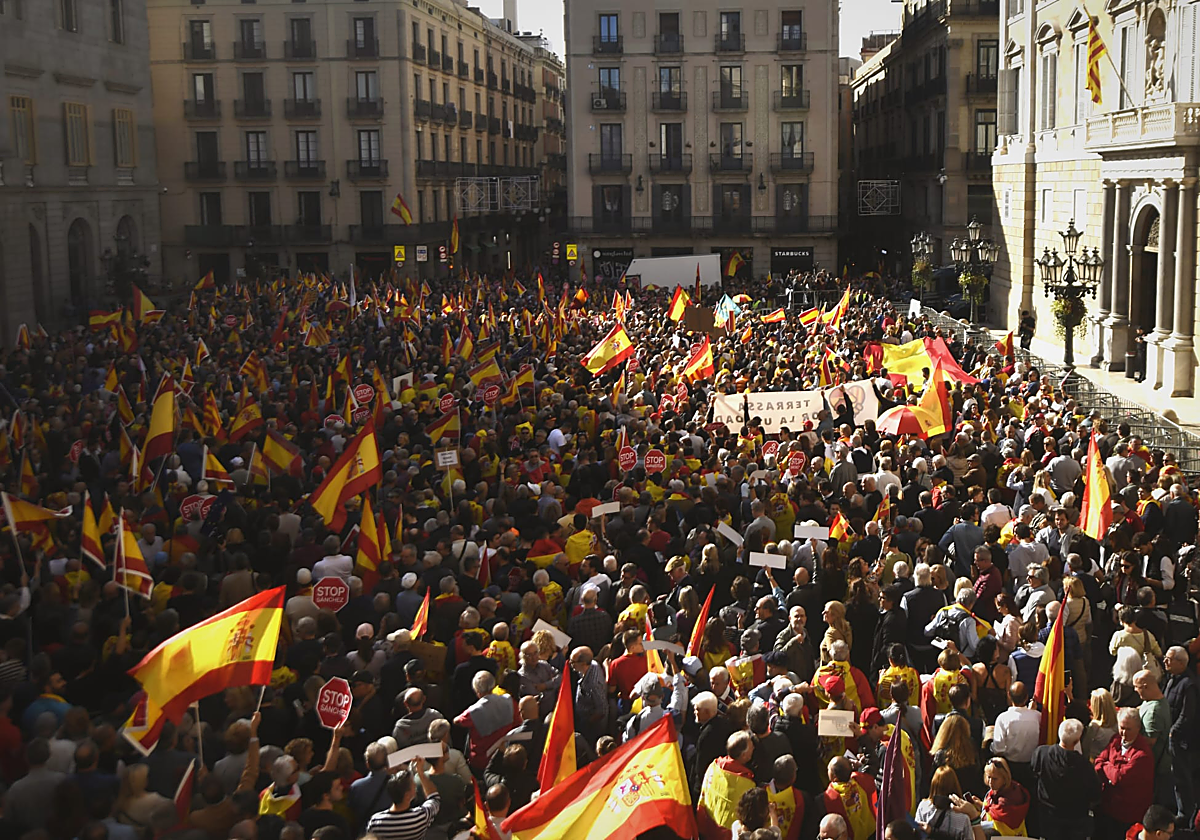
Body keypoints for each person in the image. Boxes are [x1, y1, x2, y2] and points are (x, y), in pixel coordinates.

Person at [1032, 718, 1101, 840]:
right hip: (1074, 820)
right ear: (1076, 741)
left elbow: (1033, 772)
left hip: (1048, 817)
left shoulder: (1041, 753)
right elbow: (1094, 792)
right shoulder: (1084, 766)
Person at [1094, 707, 1155, 840]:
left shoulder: (1142, 754)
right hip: (1107, 806)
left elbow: (1119, 778)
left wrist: (1106, 766)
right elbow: (1098, 761)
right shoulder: (1115, 740)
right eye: (1122, 727)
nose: (1124, 733)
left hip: (1127, 814)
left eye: (1128, 729)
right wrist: (1108, 766)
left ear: (1138, 728)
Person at [1163, 645, 1199, 824]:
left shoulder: (1189, 684)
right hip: (1173, 736)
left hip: (1181, 741)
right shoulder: (1172, 679)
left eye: (1169, 659)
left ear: (1181, 662)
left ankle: (1185, 815)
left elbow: (1187, 714)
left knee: (1182, 777)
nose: (1165, 661)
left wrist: (1173, 732)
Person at [364, 759, 440, 838]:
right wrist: (420, 773)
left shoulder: (376, 822)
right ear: (407, 795)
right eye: (413, 785)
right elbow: (435, 798)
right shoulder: (419, 818)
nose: (415, 787)